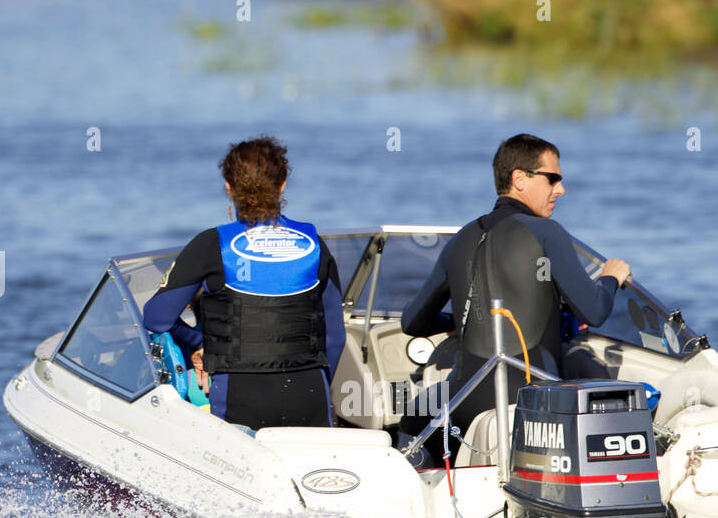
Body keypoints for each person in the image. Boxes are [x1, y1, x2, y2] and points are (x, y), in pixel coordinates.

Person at [401, 133, 631, 431]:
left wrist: (457, 321)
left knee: (411, 418)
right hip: (534, 403)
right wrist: (611, 277)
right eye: (552, 179)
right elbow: (595, 311)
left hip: (465, 406)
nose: (560, 189)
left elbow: (413, 322)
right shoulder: (547, 232)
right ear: (519, 179)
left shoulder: (460, 240)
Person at [142, 137, 345, 430]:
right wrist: (321, 389)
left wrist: (200, 344)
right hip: (309, 395)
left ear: (228, 187)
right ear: (283, 185)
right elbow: (336, 339)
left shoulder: (210, 245)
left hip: (240, 400)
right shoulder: (314, 244)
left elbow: (156, 318)